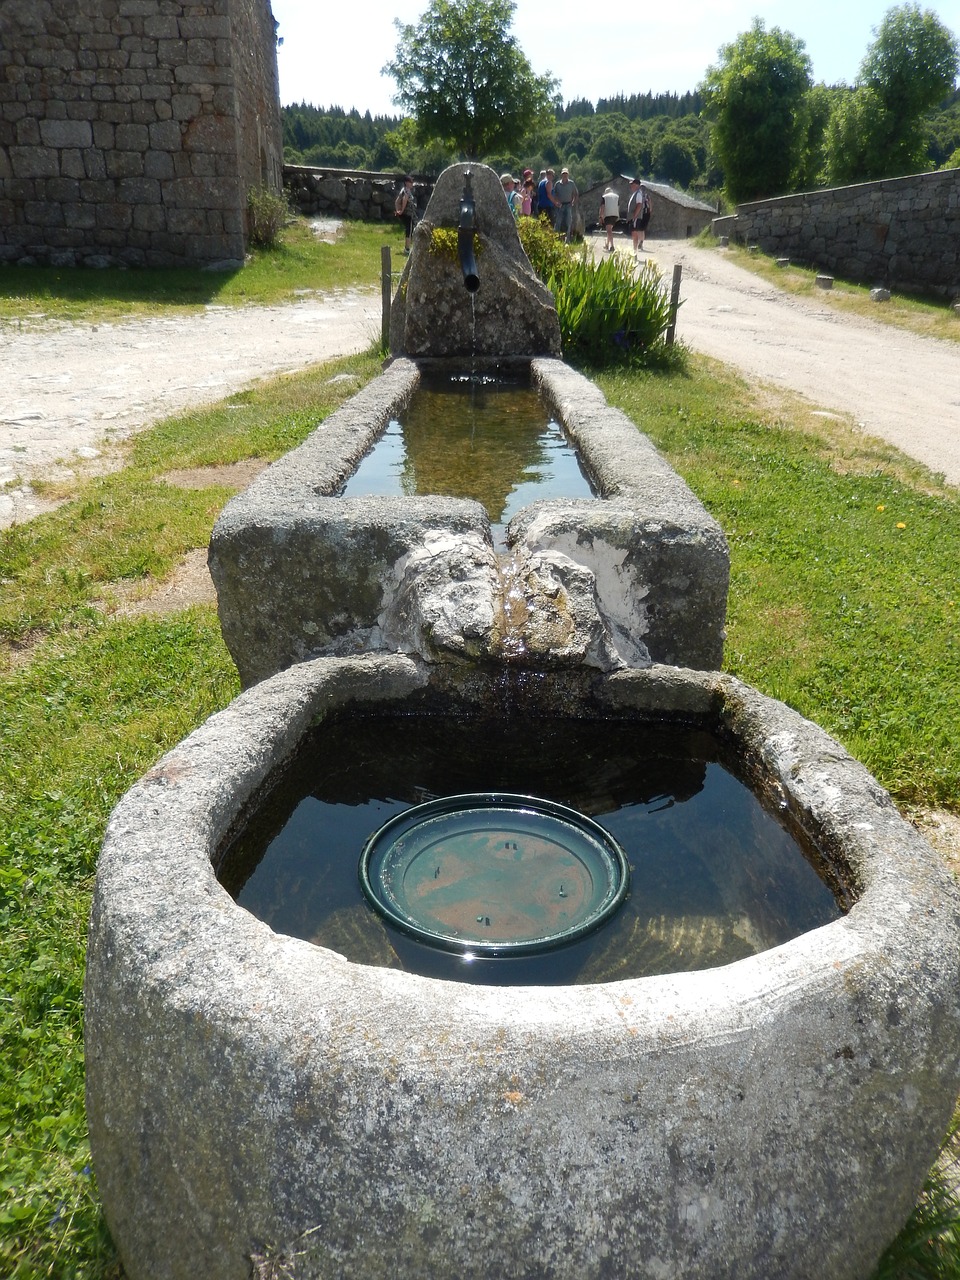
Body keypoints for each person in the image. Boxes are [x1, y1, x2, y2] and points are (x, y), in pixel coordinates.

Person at [553, 166, 578, 242]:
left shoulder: (571, 183)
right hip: (560, 205)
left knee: (568, 221)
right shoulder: (557, 184)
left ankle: (568, 238)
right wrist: (557, 202)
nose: (565, 175)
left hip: (568, 204)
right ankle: (556, 238)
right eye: (563, 174)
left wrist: (573, 202)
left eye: (566, 174)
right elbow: (554, 194)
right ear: (561, 175)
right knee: (558, 221)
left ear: (568, 175)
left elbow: (575, 193)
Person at [628, 178, 652, 255]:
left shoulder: (640, 194)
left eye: (632, 184)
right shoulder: (640, 194)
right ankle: (639, 243)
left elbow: (639, 205)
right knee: (640, 229)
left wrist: (634, 215)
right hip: (643, 214)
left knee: (638, 230)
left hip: (640, 215)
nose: (631, 186)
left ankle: (636, 249)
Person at [395, 175, 417, 254]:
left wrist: (398, 210)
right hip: (408, 214)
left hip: (407, 213)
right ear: (406, 183)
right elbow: (405, 199)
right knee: (409, 230)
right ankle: (407, 249)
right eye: (410, 182)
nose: (412, 183)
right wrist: (401, 210)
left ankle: (408, 247)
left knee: (409, 230)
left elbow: (397, 201)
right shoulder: (406, 191)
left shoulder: (403, 190)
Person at [599, 186, 620, 252]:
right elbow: (618, 206)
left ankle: (612, 246)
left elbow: (602, 207)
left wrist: (601, 216)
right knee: (609, 230)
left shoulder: (604, 197)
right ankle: (607, 245)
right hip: (615, 215)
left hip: (608, 214)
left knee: (609, 231)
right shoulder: (616, 197)